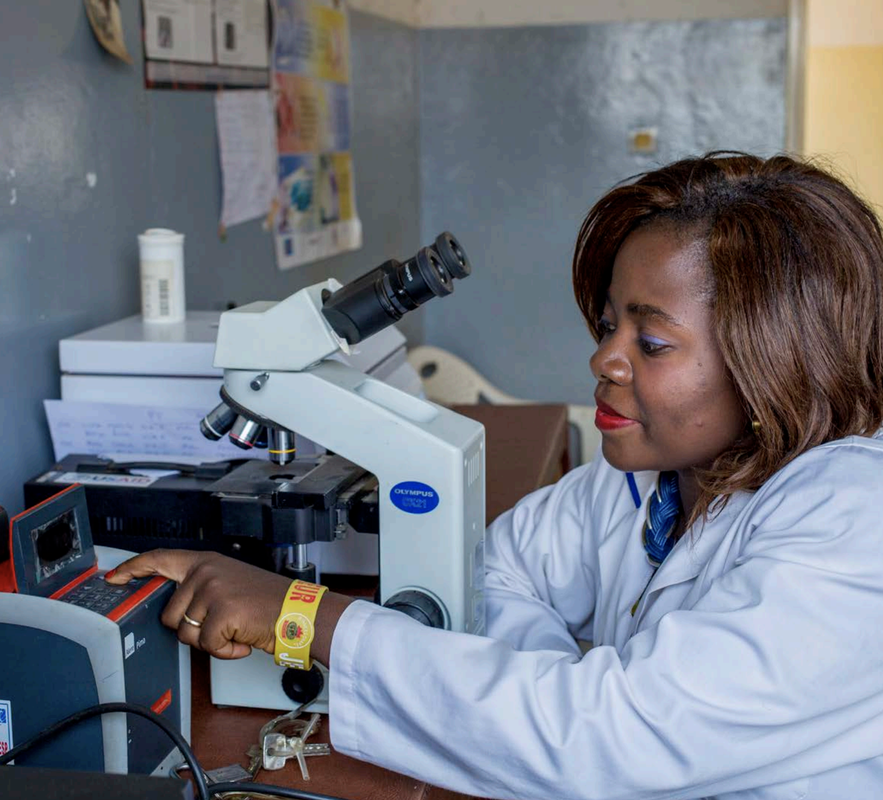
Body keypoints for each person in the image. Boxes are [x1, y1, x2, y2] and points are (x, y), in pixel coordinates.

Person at [107, 153, 883, 800]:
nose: (602, 360)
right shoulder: (648, 485)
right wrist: (538, 692)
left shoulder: (854, 516)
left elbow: (611, 735)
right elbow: (502, 575)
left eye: (650, 342)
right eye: (609, 323)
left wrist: (309, 617)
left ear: (777, 358)